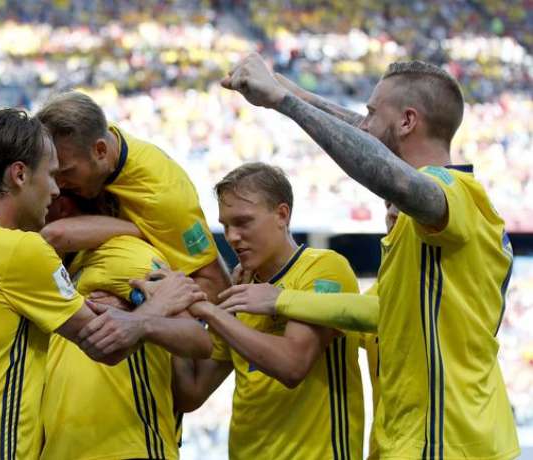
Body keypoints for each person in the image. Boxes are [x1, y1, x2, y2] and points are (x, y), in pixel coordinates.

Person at [222, 54, 518, 458]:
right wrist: (294, 92)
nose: (363, 121)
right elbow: (377, 312)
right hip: (423, 438)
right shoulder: (425, 237)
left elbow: (390, 174)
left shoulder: (456, 192)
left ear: (408, 121)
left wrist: (285, 103)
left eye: (372, 112)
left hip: (445, 441)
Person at [0, 108, 206, 459]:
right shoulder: (19, 252)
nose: (54, 188)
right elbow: (107, 344)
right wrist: (155, 306)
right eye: (51, 176)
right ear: (19, 175)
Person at [172, 162, 364, 460]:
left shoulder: (324, 268)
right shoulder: (239, 290)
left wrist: (210, 312)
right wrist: (174, 311)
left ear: (282, 215)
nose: (232, 236)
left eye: (243, 222)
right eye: (225, 225)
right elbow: (192, 393)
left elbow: (292, 365)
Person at [41, 194, 212, 460]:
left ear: (64, 206)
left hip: (129, 448)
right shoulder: (64, 268)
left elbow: (197, 339)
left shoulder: (126, 252)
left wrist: (140, 320)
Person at [35, 91, 231, 302]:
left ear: (100, 150)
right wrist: (141, 232)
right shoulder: (82, 139)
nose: (57, 185)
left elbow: (214, 285)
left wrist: (138, 310)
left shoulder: (164, 197)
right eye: (53, 173)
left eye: (66, 172)